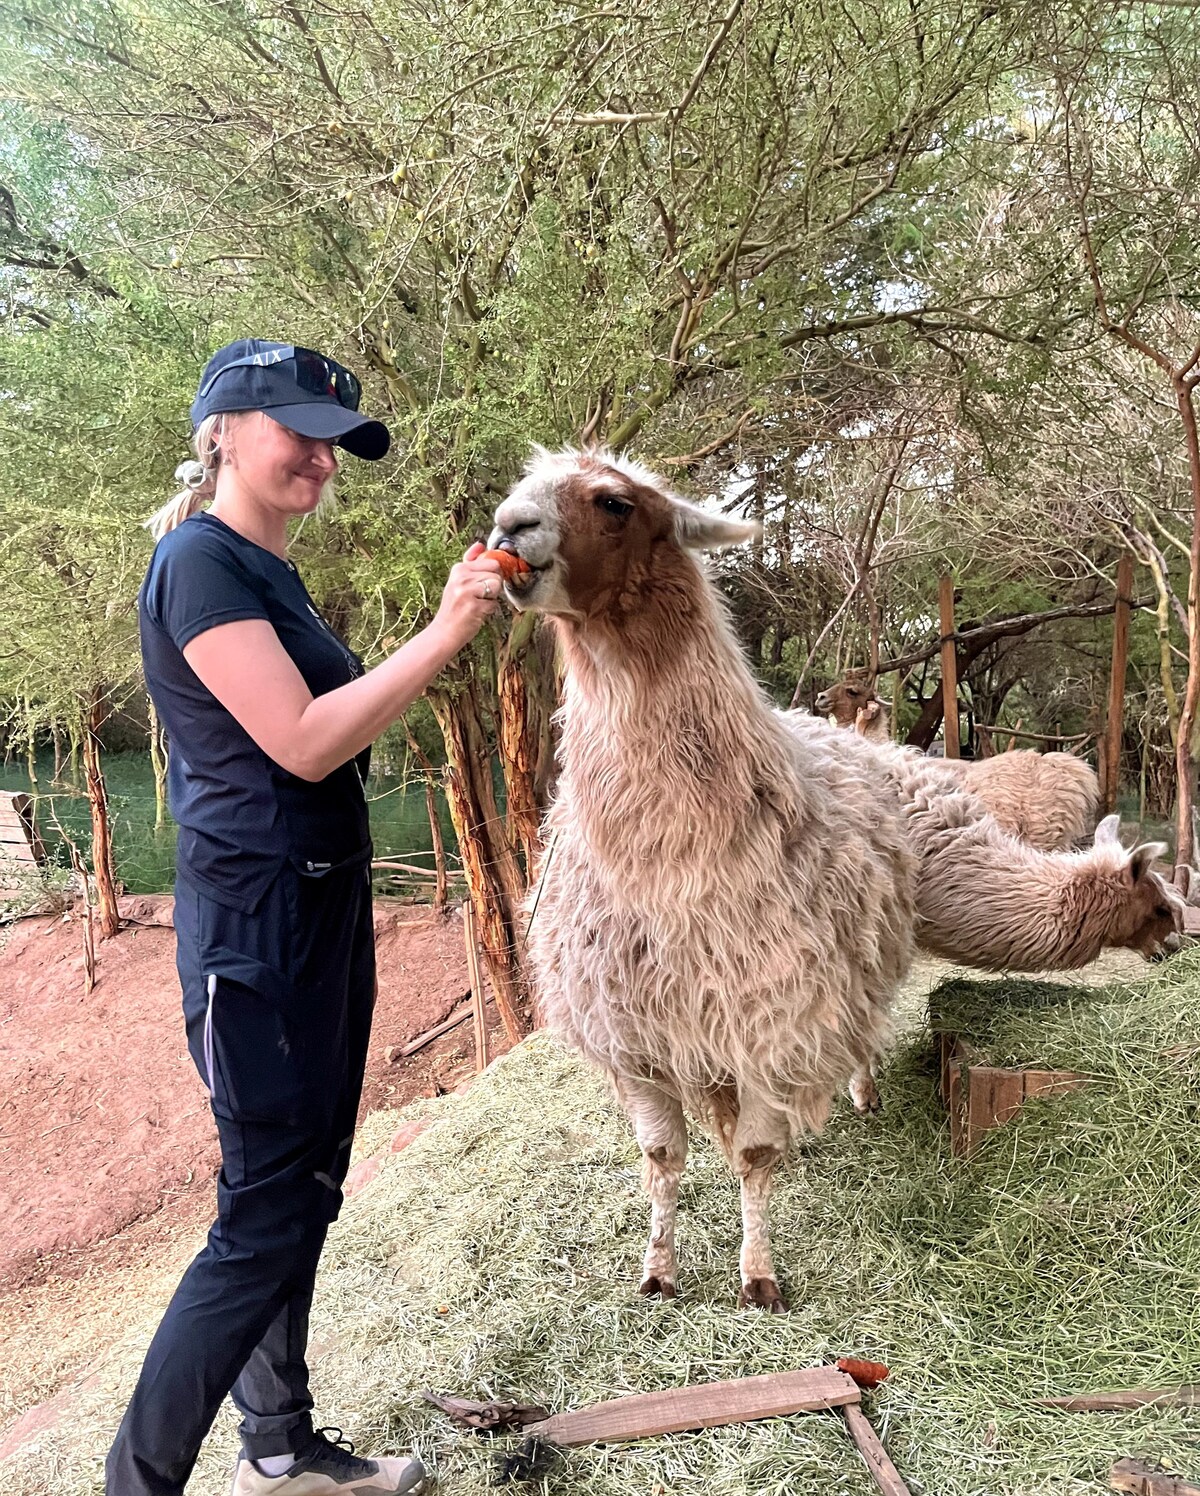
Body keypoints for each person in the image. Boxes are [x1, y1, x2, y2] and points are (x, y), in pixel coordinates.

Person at [108, 339, 503, 1496]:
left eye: (335, 443)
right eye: (297, 431)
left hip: (320, 913)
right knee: (261, 1213)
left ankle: (280, 1446)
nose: (322, 461)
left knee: (306, 1188)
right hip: (257, 929)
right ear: (223, 429)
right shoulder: (199, 564)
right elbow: (302, 738)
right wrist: (444, 630)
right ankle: (140, 1483)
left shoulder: (267, 571)